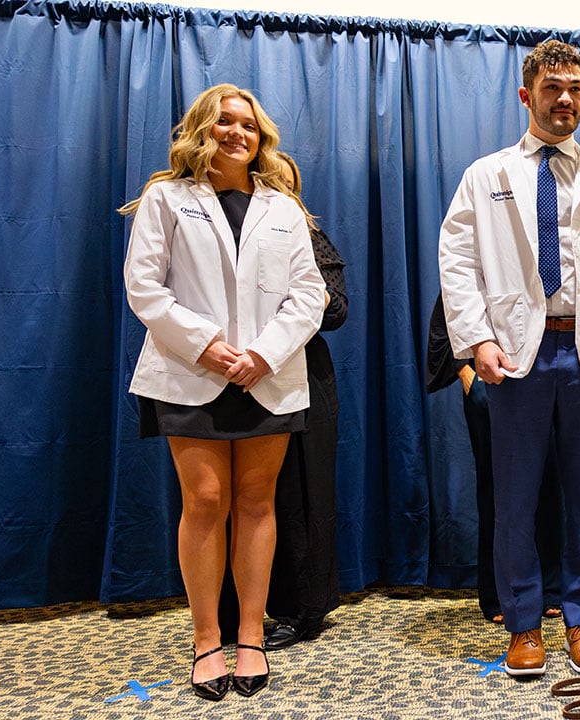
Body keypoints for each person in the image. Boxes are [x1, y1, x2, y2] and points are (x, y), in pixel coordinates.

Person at [438, 40, 580, 677]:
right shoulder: (487, 177)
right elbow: (457, 264)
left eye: (575, 88)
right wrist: (476, 338)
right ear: (526, 95)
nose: (565, 99)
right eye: (552, 88)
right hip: (517, 355)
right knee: (514, 497)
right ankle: (523, 625)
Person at [121, 84, 325, 699]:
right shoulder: (166, 198)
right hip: (191, 372)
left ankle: (251, 637)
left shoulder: (285, 208)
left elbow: (309, 293)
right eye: (224, 123)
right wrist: (206, 344)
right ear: (201, 130)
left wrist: (263, 353)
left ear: (261, 137)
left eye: (248, 125)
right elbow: (145, 287)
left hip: (268, 373)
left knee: (258, 502)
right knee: (206, 501)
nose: (237, 134)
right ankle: (206, 638)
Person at [426, 293, 565, 626]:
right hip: (491, 384)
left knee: (551, 485)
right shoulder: (485, 249)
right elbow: (448, 313)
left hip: (548, 378)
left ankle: (552, 587)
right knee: (497, 491)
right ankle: (497, 593)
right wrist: (465, 373)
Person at [261, 152, 347, 649]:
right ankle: (238, 611)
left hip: (304, 375)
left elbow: (336, 310)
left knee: (303, 493)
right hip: (235, 372)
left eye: (284, 183)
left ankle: (303, 609)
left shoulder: (311, 238)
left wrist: (290, 298)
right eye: (265, 179)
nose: (274, 188)